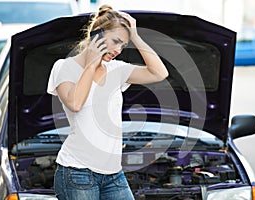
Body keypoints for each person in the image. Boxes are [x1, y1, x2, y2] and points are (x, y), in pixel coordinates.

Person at [47, 4, 169, 200]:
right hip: (77, 172)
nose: (119, 50)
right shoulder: (64, 67)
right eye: (116, 41)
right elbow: (75, 103)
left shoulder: (116, 70)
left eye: (123, 45)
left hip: (113, 174)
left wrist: (136, 36)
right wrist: (92, 63)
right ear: (97, 35)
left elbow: (159, 73)